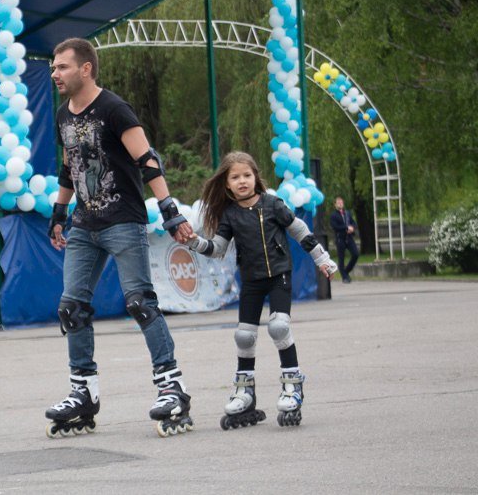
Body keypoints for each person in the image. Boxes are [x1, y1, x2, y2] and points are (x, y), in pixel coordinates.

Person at [44, 38, 195, 438]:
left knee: (140, 304)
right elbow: (68, 169)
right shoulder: (62, 115)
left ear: (86, 69)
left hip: (123, 222)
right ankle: (83, 393)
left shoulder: (114, 108)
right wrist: (59, 212)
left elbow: (147, 161)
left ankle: (171, 387)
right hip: (84, 225)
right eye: (53, 68)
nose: (55, 73)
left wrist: (169, 211)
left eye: (62, 67)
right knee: (71, 309)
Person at [186, 151, 337, 429]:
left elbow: (299, 229)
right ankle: (245, 392)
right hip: (252, 279)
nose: (242, 181)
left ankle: (293, 386)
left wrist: (321, 258)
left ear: (256, 177)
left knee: (279, 327)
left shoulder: (272, 204)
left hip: (279, 275)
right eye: (235, 177)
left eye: (247, 175)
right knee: (244, 336)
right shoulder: (230, 215)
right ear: (227, 184)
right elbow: (218, 248)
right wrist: (196, 242)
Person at [330, 196, 360, 283]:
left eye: (341, 202)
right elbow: (335, 226)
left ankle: (346, 271)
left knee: (355, 254)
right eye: (338, 202)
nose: (340, 204)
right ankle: (344, 277)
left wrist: (352, 228)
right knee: (341, 258)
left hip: (349, 238)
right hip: (340, 238)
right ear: (335, 204)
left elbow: (353, 223)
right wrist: (346, 227)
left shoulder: (347, 213)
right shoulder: (334, 215)